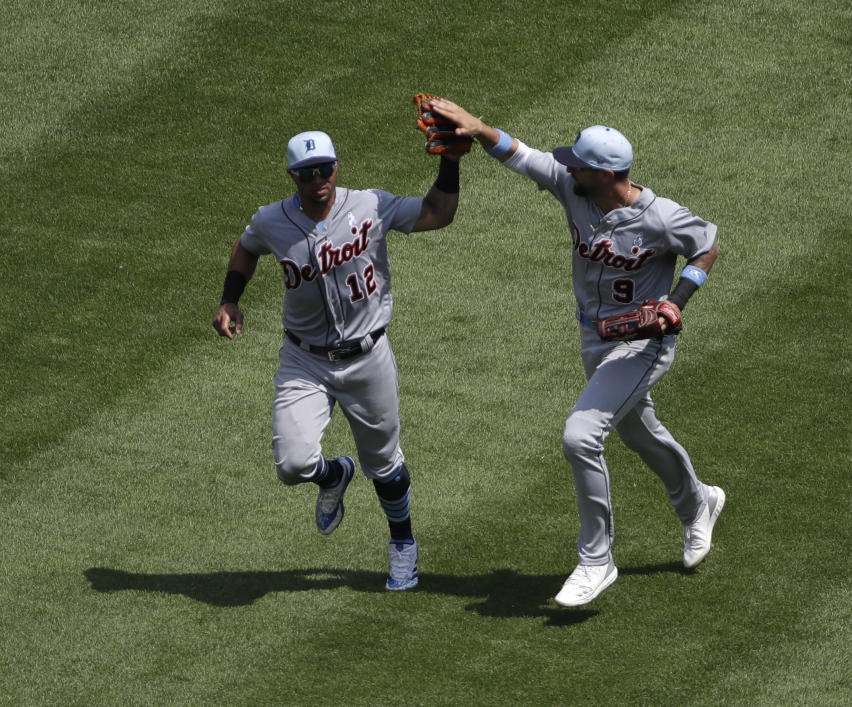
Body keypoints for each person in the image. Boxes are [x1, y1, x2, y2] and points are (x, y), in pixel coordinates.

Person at [430, 99, 725, 607]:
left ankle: (596, 560)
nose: (568, 167)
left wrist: (676, 301)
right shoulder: (573, 186)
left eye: (579, 164)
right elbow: (521, 156)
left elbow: (707, 243)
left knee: (580, 435)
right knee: (638, 430)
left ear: (606, 174)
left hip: (642, 345)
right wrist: (478, 128)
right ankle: (699, 502)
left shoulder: (659, 216)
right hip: (594, 337)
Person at [212, 129, 463, 591]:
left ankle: (402, 544)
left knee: (385, 465)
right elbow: (247, 246)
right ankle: (335, 475)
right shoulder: (272, 220)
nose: (318, 179)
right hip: (303, 360)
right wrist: (231, 299)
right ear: (293, 176)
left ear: (336, 166)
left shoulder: (370, 205)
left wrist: (449, 163)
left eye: (325, 168)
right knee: (292, 465)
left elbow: (437, 213)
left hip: (368, 357)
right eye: (308, 173)